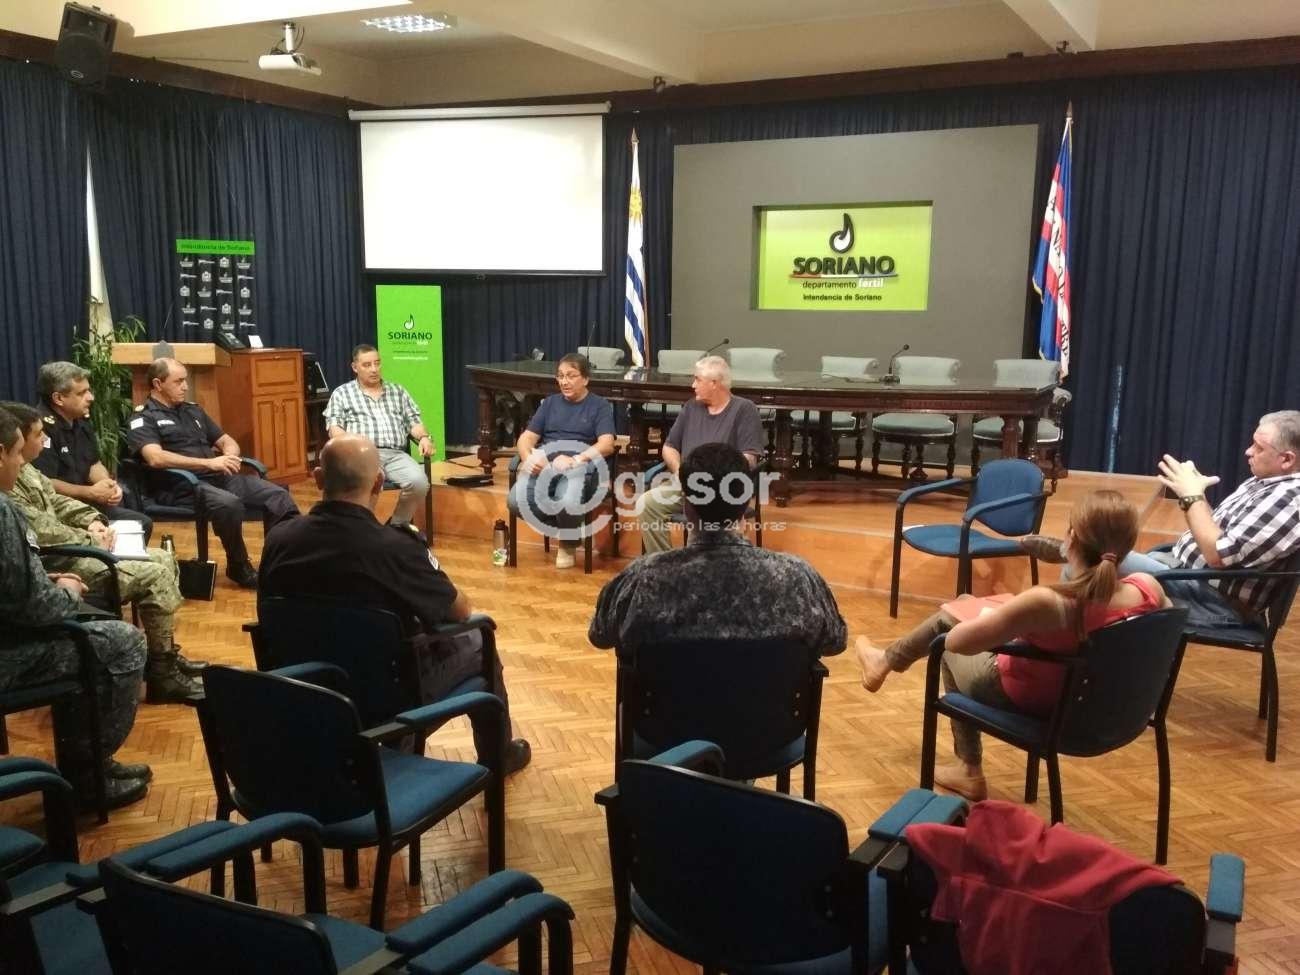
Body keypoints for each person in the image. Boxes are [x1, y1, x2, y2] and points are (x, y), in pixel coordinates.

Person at [857, 490, 1173, 802]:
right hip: (1104, 711)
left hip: (1035, 699)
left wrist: (1003, 622)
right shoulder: (1148, 589)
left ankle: (967, 765)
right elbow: (1156, 635)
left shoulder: (1049, 603)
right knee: (965, 602)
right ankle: (885, 661)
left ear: (1072, 537)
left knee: (946, 628)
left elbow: (957, 643)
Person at [259, 434, 531, 775]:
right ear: (378, 483)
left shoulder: (279, 540)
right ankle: (497, 757)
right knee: (480, 639)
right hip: (385, 697)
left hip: (304, 688)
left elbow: (266, 614)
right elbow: (461, 611)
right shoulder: (395, 548)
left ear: (318, 478)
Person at [1022, 410, 1300, 630]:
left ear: (1287, 459)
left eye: (1258, 448)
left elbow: (1218, 554)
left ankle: (1063, 652)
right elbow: (1217, 532)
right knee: (1094, 562)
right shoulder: (1267, 483)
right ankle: (1075, 650)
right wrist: (1196, 496)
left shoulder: (1289, 499)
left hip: (1212, 600)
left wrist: (1193, 496)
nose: (1248, 451)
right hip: (1182, 571)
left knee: (1084, 565)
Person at [0, 406, 151, 811]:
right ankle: (88, 775)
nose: (21, 463)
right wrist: (66, 590)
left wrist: (42, 577)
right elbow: (38, 610)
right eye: (16, 453)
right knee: (124, 642)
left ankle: (88, 765)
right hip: (11, 653)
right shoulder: (2, 510)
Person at [1, 401, 203, 702]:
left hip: (75, 550)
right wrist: (90, 539)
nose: (44, 440)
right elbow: (41, 529)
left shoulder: (27, 470)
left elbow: (58, 502)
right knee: (155, 575)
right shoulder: (8, 488)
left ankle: (163, 656)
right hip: (60, 560)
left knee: (163, 557)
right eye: (38, 435)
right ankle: (163, 676)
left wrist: (92, 519)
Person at [590, 442, 846, 656]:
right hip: (768, 704)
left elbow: (600, 635)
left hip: (669, 703)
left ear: (686, 506)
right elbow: (835, 641)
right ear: (745, 501)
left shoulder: (642, 578)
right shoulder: (797, 577)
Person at [126, 357, 299, 588]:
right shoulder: (143, 418)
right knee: (228, 504)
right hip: (182, 485)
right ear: (158, 384)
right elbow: (155, 458)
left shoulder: (192, 411)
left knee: (278, 496)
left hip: (219, 477)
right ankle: (238, 565)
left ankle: (278, 563)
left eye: (185, 380)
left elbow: (227, 441)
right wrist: (210, 463)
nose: (185, 386)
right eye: (178, 381)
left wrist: (229, 456)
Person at [638, 355, 765, 554]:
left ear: (714, 383)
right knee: (647, 503)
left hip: (723, 490)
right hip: (685, 483)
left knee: (706, 516)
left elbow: (748, 459)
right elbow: (669, 447)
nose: (693, 385)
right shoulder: (691, 407)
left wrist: (713, 481)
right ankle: (665, 563)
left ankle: (710, 563)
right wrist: (681, 471)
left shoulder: (744, 409)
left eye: (697, 379)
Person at [508, 353, 616, 569]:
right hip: (545, 468)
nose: (564, 381)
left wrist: (577, 459)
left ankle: (568, 542)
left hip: (580, 469)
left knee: (567, 501)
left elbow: (607, 444)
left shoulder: (599, 405)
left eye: (571, 376)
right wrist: (529, 459)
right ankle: (569, 531)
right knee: (515, 501)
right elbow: (525, 439)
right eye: (560, 376)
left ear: (585, 379)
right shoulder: (549, 403)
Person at [33, 360, 153, 541]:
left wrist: (108, 485)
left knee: (141, 523)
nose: (91, 397)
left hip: (86, 504)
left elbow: (92, 463)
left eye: (88, 390)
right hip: (59, 511)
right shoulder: (40, 428)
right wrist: (90, 492)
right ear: (58, 399)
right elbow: (46, 482)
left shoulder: (80, 420)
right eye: (81, 393)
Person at [323, 344, 434, 528]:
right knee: (369, 485)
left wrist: (423, 437)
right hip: (363, 455)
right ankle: (365, 529)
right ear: (355, 367)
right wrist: (350, 450)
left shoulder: (398, 391)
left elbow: (414, 422)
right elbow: (335, 429)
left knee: (419, 483)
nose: (374, 369)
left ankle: (397, 527)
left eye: (377, 363)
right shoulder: (342, 393)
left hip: (395, 454)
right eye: (367, 365)